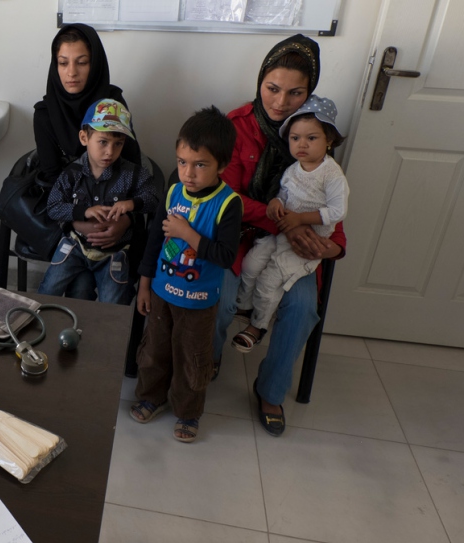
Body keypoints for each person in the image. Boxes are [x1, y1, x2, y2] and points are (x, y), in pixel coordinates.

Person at [213, 34, 347, 437]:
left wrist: (333, 246)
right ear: (259, 81)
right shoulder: (236, 127)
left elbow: (333, 203)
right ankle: (208, 362)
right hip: (239, 236)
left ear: (310, 92)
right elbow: (228, 199)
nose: (280, 102)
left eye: (295, 93)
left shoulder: (314, 132)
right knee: (218, 296)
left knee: (304, 307)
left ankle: (270, 390)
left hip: (296, 246)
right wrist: (288, 222)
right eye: (272, 88)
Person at [129, 106, 241, 443]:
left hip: (199, 301)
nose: (188, 173)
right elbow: (154, 242)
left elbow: (225, 256)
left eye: (200, 164)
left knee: (192, 359)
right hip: (162, 293)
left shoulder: (228, 204)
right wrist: (145, 285)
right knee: (154, 350)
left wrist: (186, 233)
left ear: (221, 165)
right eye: (182, 162)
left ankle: (189, 412)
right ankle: (151, 396)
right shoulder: (174, 190)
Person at [33, 23, 143, 299]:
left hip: (114, 216)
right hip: (68, 219)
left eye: (81, 63)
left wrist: (125, 222)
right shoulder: (46, 114)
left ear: (94, 65)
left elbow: (133, 167)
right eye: (63, 63)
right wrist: (78, 221)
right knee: (80, 289)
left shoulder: (112, 104)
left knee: (103, 290)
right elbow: (52, 180)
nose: (71, 73)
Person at [234, 96, 348, 352]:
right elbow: (284, 194)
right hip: (279, 232)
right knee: (251, 265)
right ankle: (244, 307)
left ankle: (257, 326)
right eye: (295, 138)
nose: (302, 144)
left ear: (328, 140)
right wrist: (275, 202)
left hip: (304, 245)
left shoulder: (332, 174)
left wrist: (300, 219)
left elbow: (338, 211)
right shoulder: (292, 169)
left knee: (268, 281)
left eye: (311, 138)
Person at [37, 99, 156, 304]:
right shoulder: (72, 173)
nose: (110, 151)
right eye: (103, 142)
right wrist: (83, 211)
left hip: (115, 254)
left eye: (118, 144)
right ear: (84, 137)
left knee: (113, 307)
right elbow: (53, 207)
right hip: (75, 247)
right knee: (48, 291)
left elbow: (153, 199)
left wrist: (131, 205)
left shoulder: (133, 174)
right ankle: (37, 328)